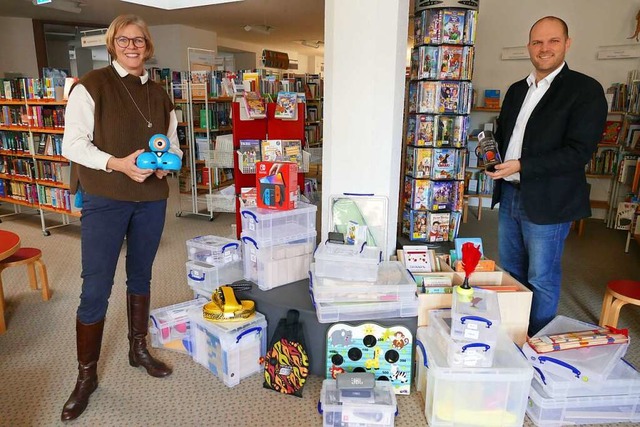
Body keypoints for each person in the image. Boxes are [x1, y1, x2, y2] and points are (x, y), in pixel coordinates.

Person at [60, 14, 182, 421]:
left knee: (141, 275)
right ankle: (86, 376)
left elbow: (175, 146)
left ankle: (137, 348)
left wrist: (167, 165)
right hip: (106, 197)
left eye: (140, 41)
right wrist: (117, 163)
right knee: (95, 287)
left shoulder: (162, 94)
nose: (133, 47)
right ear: (113, 44)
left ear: (148, 46)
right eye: (125, 41)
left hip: (151, 199)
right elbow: (72, 145)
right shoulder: (91, 86)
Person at [486, 16, 607, 336]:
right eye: (537, 42)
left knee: (541, 277)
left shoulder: (585, 90)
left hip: (550, 199)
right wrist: (491, 157)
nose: (544, 48)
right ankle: (513, 333)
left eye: (553, 41)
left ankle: (535, 339)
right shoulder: (515, 91)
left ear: (567, 44)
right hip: (510, 192)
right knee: (511, 270)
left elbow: (578, 152)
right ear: (529, 47)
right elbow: (505, 139)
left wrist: (523, 165)